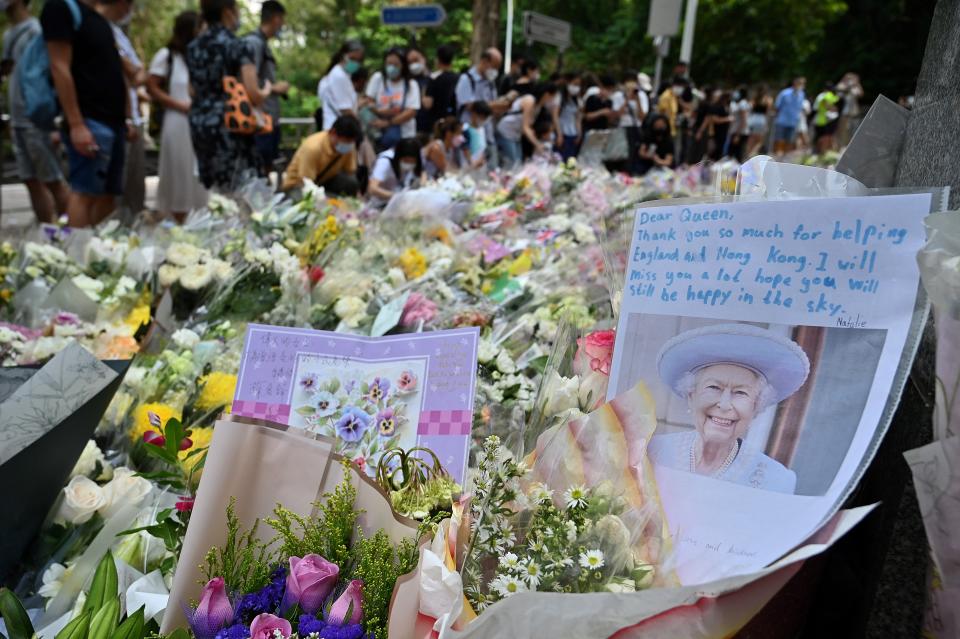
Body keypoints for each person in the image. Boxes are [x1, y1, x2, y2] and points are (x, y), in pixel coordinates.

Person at [648, 324, 810, 494]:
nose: (724, 405)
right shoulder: (652, 452)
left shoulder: (776, 481)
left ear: (756, 407)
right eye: (713, 388)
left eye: (740, 392)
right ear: (691, 396)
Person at [42, 0, 132, 228]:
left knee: (107, 194)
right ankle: (76, 257)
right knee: (84, 193)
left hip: (113, 121)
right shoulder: (61, 7)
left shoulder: (97, 18)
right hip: (89, 120)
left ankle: (101, 254)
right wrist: (76, 124)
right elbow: (59, 66)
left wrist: (127, 117)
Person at [187, 0, 269, 192]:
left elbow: (191, 91)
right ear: (227, 12)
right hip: (231, 122)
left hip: (200, 123)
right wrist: (266, 90)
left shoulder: (193, 47)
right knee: (240, 188)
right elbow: (253, 92)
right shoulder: (237, 45)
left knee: (215, 190)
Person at [2, 0, 69, 224]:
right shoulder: (9, 34)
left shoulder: (35, 31)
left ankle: (73, 232)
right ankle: (47, 233)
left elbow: (50, 72)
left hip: (36, 118)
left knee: (52, 179)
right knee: (30, 179)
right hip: (18, 117)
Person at [147, 10, 207, 222]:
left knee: (196, 173)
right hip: (176, 120)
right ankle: (176, 217)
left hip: (197, 123)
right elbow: (152, 87)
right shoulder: (167, 56)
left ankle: (197, 219)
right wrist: (178, 104)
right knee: (179, 170)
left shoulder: (198, 57)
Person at [99, 0, 145, 218]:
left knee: (127, 186)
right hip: (114, 119)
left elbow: (137, 74)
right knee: (108, 191)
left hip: (127, 117)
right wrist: (127, 118)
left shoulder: (117, 32)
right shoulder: (99, 28)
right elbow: (127, 75)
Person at [244, 1, 290, 176]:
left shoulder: (264, 44)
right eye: (282, 20)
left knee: (266, 169)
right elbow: (249, 82)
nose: (283, 25)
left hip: (269, 119)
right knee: (257, 171)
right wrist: (274, 89)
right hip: (259, 119)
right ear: (276, 19)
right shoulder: (253, 43)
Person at [282, 114, 361, 195]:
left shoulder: (349, 147)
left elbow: (350, 172)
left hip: (324, 181)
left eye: (351, 141)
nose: (349, 144)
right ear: (333, 133)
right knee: (307, 199)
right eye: (346, 141)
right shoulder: (312, 148)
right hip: (298, 184)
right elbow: (306, 182)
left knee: (351, 183)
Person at [455, 47, 507, 166]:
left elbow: (493, 106)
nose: (495, 71)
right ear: (484, 61)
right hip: (469, 136)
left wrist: (500, 106)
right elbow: (472, 106)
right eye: (494, 66)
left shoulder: (490, 83)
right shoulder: (466, 80)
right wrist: (496, 105)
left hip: (488, 134)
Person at [366, 47, 420, 152]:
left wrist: (389, 122)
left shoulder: (411, 84)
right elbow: (369, 100)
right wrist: (378, 111)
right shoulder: (378, 78)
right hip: (379, 132)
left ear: (403, 66)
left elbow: (411, 111)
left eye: (396, 65)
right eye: (388, 64)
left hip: (404, 134)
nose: (391, 68)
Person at [496, 82, 558, 168]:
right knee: (512, 163)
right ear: (547, 94)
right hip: (506, 132)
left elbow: (529, 127)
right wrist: (537, 144)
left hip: (516, 135)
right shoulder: (530, 100)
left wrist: (537, 143)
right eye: (553, 97)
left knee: (518, 163)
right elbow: (526, 127)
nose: (553, 100)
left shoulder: (538, 106)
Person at [317, 39, 364, 131]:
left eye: (358, 60)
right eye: (352, 59)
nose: (355, 63)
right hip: (340, 130)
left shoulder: (344, 74)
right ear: (343, 56)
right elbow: (345, 110)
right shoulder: (339, 76)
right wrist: (359, 127)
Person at [367, 137, 421, 208]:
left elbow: (421, 172)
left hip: (397, 202)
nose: (409, 164)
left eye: (412, 161)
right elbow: (372, 188)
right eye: (406, 161)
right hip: (379, 204)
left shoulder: (413, 164)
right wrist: (394, 196)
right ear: (398, 156)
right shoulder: (384, 162)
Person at [421, 44, 458, 134]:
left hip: (436, 125)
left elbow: (427, 104)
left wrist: (423, 92)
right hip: (453, 123)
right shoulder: (458, 78)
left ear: (437, 59)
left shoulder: (434, 78)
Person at [773, 76, 805, 156]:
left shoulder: (802, 94)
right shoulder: (784, 93)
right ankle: (777, 157)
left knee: (789, 142)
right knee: (779, 140)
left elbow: (800, 108)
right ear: (795, 83)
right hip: (782, 121)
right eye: (800, 83)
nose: (801, 85)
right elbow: (777, 106)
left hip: (793, 122)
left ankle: (784, 159)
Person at [405, 46, 431, 137]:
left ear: (423, 59)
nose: (413, 65)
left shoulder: (432, 80)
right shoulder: (405, 82)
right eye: (410, 62)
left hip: (428, 130)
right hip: (409, 130)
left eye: (416, 60)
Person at [557, 72, 582, 160]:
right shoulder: (559, 98)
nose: (577, 87)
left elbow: (577, 118)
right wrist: (559, 134)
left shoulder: (577, 100)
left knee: (571, 160)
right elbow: (555, 116)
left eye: (578, 85)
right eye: (575, 84)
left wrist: (579, 133)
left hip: (573, 133)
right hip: (562, 132)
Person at [462, 100, 491, 169]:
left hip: (480, 164)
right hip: (469, 165)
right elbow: (465, 148)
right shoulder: (466, 129)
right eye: (482, 117)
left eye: (485, 118)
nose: (483, 120)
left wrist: (482, 159)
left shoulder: (482, 129)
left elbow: (483, 148)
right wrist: (472, 162)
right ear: (474, 113)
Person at [835, 72, 863, 147]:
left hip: (854, 111)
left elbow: (860, 94)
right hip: (844, 111)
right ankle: (841, 145)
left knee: (854, 129)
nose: (850, 80)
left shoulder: (855, 87)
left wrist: (857, 83)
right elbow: (839, 92)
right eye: (848, 78)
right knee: (843, 130)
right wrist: (848, 85)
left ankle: (851, 145)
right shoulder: (842, 86)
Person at [813, 82, 840, 154]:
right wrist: (834, 108)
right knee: (826, 137)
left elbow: (816, 108)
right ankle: (822, 153)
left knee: (823, 137)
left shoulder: (822, 96)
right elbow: (827, 105)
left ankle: (821, 153)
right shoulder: (829, 96)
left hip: (821, 119)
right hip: (826, 120)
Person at [745, 85, 772, 158]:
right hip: (761, 120)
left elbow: (750, 109)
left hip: (752, 119)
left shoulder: (754, 99)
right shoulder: (768, 100)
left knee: (751, 139)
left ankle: (747, 155)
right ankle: (752, 155)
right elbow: (767, 113)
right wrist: (766, 124)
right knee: (759, 141)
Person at [727, 85, 750, 161]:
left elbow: (743, 120)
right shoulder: (742, 103)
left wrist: (738, 135)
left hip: (739, 132)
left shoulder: (742, 104)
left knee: (736, 155)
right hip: (738, 131)